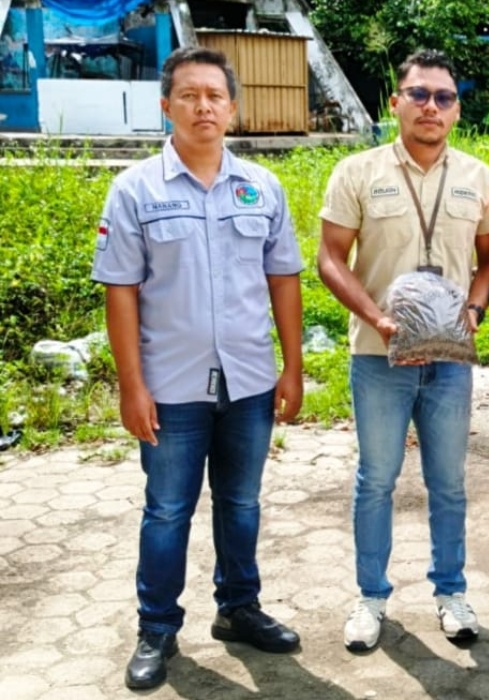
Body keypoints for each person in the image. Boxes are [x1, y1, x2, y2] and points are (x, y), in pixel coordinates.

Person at [91, 47, 304, 690]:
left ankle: (238, 608)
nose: (203, 106)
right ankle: (157, 628)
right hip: (170, 387)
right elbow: (121, 291)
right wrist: (132, 386)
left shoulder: (261, 186)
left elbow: (283, 278)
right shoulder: (136, 190)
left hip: (249, 380)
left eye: (215, 95)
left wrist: (292, 368)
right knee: (167, 512)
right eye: (189, 95)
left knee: (241, 503)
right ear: (167, 106)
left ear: (232, 108)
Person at [317, 48, 489, 651]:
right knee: (376, 479)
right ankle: (371, 598)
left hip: (449, 360)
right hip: (378, 357)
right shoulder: (357, 172)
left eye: (444, 97)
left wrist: (474, 311)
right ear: (396, 102)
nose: (431, 106)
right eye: (419, 94)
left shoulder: (479, 178)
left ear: (456, 110)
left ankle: (451, 594)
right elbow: (329, 259)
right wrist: (378, 318)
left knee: (448, 482)